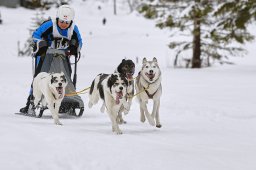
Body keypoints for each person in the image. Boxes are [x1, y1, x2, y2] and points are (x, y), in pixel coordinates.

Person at [19, 5, 83, 114]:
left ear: (71, 22)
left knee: (65, 77)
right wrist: (41, 44)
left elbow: (79, 42)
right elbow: (36, 35)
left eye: (67, 23)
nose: (64, 24)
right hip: (45, 56)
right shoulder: (49, 25)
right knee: (39, 77)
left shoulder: (74, 29)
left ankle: (66, 99)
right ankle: (32, 102)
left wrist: (74, 47)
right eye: (62, 21)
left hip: (63, 56)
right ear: (58, 19)